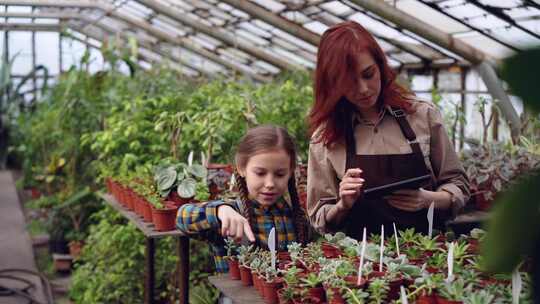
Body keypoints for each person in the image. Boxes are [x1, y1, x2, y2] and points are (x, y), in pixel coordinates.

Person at [306, 21, 470, 239]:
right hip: (359, 262)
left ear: (381, 66)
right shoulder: (326, 138)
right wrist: (342, 205)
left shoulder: (422, 116)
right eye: (349, 82)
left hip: (427, 253)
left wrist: (428, 199)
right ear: (333, 83)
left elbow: (458, 183)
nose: (363, 89)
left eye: (368, 74)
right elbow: (319, 216)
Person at [176, 125, 309, 272]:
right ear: (241, 167)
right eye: (260, 173)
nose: (270, 184)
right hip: (235, 295)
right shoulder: (231, 215)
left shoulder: (296, 218)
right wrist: (221, 211)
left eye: (280, 174)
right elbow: (183, 217)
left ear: (290, 172)